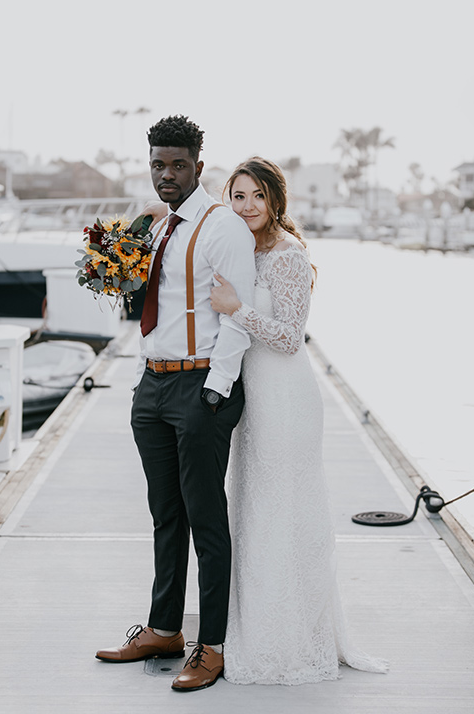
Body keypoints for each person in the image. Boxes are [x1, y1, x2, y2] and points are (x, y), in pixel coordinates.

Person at [210, 157, 389, 685]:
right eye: (238, 197)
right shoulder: (241, 250)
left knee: (285, 511)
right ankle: (259, 623)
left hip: (287, 399)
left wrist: (236, 308)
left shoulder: (288, 255)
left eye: (257, 197)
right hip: (254, 400)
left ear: (275, 201)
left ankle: (290, 638)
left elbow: (290, 337)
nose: (247, 207)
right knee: (256, 511)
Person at [95, 116, 256, 693]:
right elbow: (155, 302)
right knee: (166, 515)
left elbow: (236, 315)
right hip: (154, 386)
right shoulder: (159, 228)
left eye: (178, 165)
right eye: (159, 164)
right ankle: (164, 628)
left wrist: (215, 390)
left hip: (199, 389)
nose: (167, 174)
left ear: (198, 166)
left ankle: (210, 646)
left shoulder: (222, 228)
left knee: (206, 520)